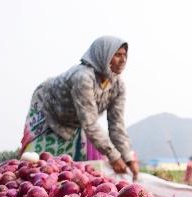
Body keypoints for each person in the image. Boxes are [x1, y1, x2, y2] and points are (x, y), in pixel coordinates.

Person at [19, 36, 139, 178]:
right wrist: (114, 156)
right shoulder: (83, 77)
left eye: (125, 55)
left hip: (77, 120)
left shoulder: (117, 86)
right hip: (49, 111)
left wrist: (127, 156)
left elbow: (116, 124)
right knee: (38, 166)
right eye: (117, 55)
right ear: (104, 55)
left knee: (82, 173)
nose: (123, 60)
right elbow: (90, 123)